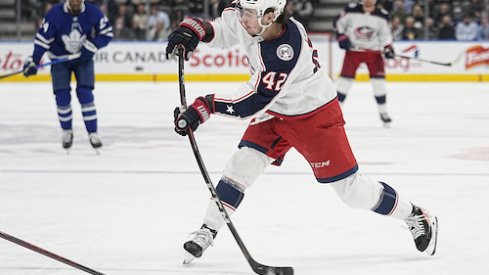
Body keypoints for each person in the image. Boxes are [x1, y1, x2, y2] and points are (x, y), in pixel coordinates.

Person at [166, 0, 438, 265]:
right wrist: (193, 29)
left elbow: (251, 103)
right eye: (242, 11)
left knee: (352, 192)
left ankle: (415, 215)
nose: (241, 18)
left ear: (269, 17)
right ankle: (208, 229)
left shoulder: (284, 51)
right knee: (240, 167)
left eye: (248, 14)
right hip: (275, 111)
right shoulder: (251, 20)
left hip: (313, 114)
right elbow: (222, 30)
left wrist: (204, 107)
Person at [23, 0, 112, 150]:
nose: (76, 2)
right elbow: (42, 40)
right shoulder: (54, 14)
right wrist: (34, 60)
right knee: (62, 96)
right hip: (59, 60)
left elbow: (106, 33)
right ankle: (67, 131)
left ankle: (93, 132)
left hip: (83, 59)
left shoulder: (93, 12)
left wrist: (93, 45)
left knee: (85, 94)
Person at [334, 0, 395, 126]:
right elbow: (338, 24)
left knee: (379, 83)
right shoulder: (351, 10)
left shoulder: (382, 14)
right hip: (353, 52)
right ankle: (335, 114)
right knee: (344, 83)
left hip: (374, 53)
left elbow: (386, 34)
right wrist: (342, 37)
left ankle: (383, 113)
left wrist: (388, 47)